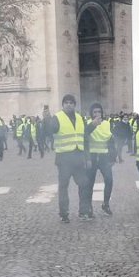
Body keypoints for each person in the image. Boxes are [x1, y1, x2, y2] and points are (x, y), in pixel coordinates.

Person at [46, 94, 92, 222]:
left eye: (71, 102)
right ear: (62, 105)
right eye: (66, 102)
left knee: (84, 184)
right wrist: (46, 119)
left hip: (78, 158)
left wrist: (87, 158)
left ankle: (83, 212)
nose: (69, 104)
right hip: (64, 159)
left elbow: (85, 139)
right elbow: (50, 130)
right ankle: (64, 214)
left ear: (74, 105)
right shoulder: (57, 118)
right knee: (63, 186)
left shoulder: (80, 118)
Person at [86, 103, 115, 215]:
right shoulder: (88, 124)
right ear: (91, 114)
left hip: (104, 157)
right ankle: (89, 207)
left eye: (99, 112)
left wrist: (113, 157)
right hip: (92, 156)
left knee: (109, 180)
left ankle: (106, 204)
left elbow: (111, 140)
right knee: (90, 183)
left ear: (102, 113)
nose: (97, 114)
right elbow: (85, 137)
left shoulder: (107, 124)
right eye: (95, 112)